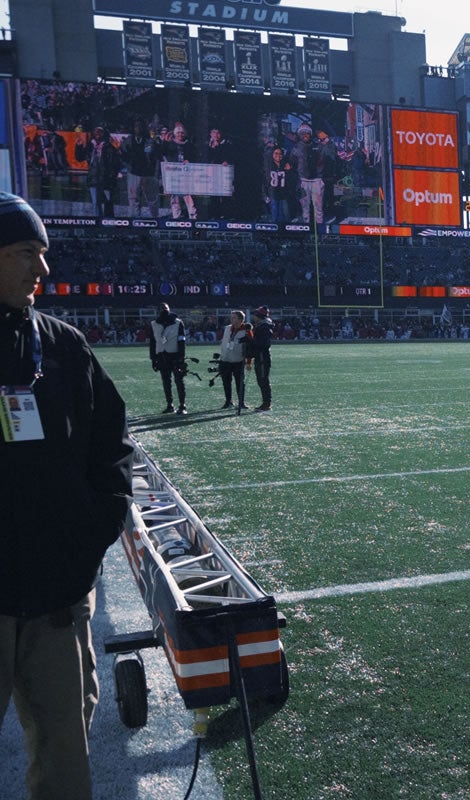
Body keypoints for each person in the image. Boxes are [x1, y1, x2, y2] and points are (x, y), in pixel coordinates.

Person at [0, 192, 134, 800]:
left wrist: (92, 535)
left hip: (57, 598)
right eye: (26, 252)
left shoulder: (63, 346)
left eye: (43, 252)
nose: (43, 268)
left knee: (65, 762)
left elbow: (111, 446)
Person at [290, 123, 336, 225]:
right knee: (305, 207)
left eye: (307, 132)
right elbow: (292, 164)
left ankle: (319, 227)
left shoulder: (318, 146)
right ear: (299, 135)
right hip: (303, 181)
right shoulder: (295, 148)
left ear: (310, 134)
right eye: (302, 133)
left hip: (317, 181)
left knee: (318, 207)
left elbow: (331, 155)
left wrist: (327, 140)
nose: (305, 135)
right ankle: (306, 226)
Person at [149, 302, 188, 414]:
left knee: (179, 381)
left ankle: (182, 405)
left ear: (169, 309)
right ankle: (170, 405)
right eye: (161, 308)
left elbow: (182, 341)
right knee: (166, 382)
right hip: (161, 356)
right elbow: (152, 343)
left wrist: (181, 357)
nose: (164, 310)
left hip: (175, 356)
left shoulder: (178, 322)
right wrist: (153, 359)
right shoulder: (153, 324)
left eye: (165, 308)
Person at [74, 126, 120, 218]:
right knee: (96, 203)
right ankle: (98, 221)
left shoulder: (109, 146)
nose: (97, 133)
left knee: (108, 202)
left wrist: (116, 150)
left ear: (104, 134)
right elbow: (80, 158)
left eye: (100, 131)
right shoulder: (90, 145)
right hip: (93, 178)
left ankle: (108, 221)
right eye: (96, 131)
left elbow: (115, 162)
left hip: (106, 179)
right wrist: (78, 146)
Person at [123, 118, 160, 218]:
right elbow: (123, 156)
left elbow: (157, 158)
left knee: (152, 200)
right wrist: (128, 167)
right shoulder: (128, 140)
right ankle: (134, 221)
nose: (138, 128)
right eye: (136, 126)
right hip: (133, 173)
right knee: (133, 199)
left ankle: (154, 220)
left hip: (149, 174)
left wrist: (156, 174)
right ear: (133, 128)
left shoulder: (150, 141)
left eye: (140, 126)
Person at [160, 122, 197, 221]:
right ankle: (176, 217)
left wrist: (190, 160)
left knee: (189, 197)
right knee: (175, 198)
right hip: (174, 175)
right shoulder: (169, 144)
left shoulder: (189, 145)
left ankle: (193, 217)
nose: (180, 135)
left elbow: (195, 157)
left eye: (182, 133)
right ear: (175, 134)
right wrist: (165, 142)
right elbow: (161, 153)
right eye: (178, 133)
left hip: (187, 176)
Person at [218, 309, 252, 413]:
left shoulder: (246, 331)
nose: (231, 319)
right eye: (231, 317)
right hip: (225, 360)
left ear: (241, 320)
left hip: (238, 361)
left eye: (234, 317)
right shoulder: (227, 328)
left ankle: (241, 402)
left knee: (240, 383)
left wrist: (248, 362)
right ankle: (228, 401)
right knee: (226, 382)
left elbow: (250, 348)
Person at [249, 305, 274, 411]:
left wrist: (250, 341)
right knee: (261, 380)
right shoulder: (262, 326)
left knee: (263, 380)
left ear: (259, 316)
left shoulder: (264, 328)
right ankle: (266, 402)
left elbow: (262, 344)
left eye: (255, 315)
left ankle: (266, 403)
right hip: (260, 356)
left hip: (262, 357)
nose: (254, 317)